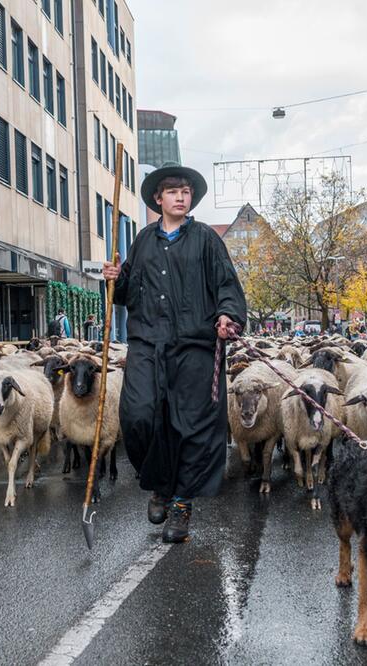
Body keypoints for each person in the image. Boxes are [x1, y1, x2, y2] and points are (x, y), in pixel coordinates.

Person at [103, 163, 246, 544]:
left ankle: (181, 502)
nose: (181, 196)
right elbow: (127, 293)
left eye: (185, 191)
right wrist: (115, 280)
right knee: (139, 416)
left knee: (192, 427)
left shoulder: (206, 240)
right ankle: (160, 484)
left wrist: (227, 315)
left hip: (195, 345)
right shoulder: (143, 240)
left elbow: (226, 284)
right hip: (148, 344)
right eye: (173, 191)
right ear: (158, 199)